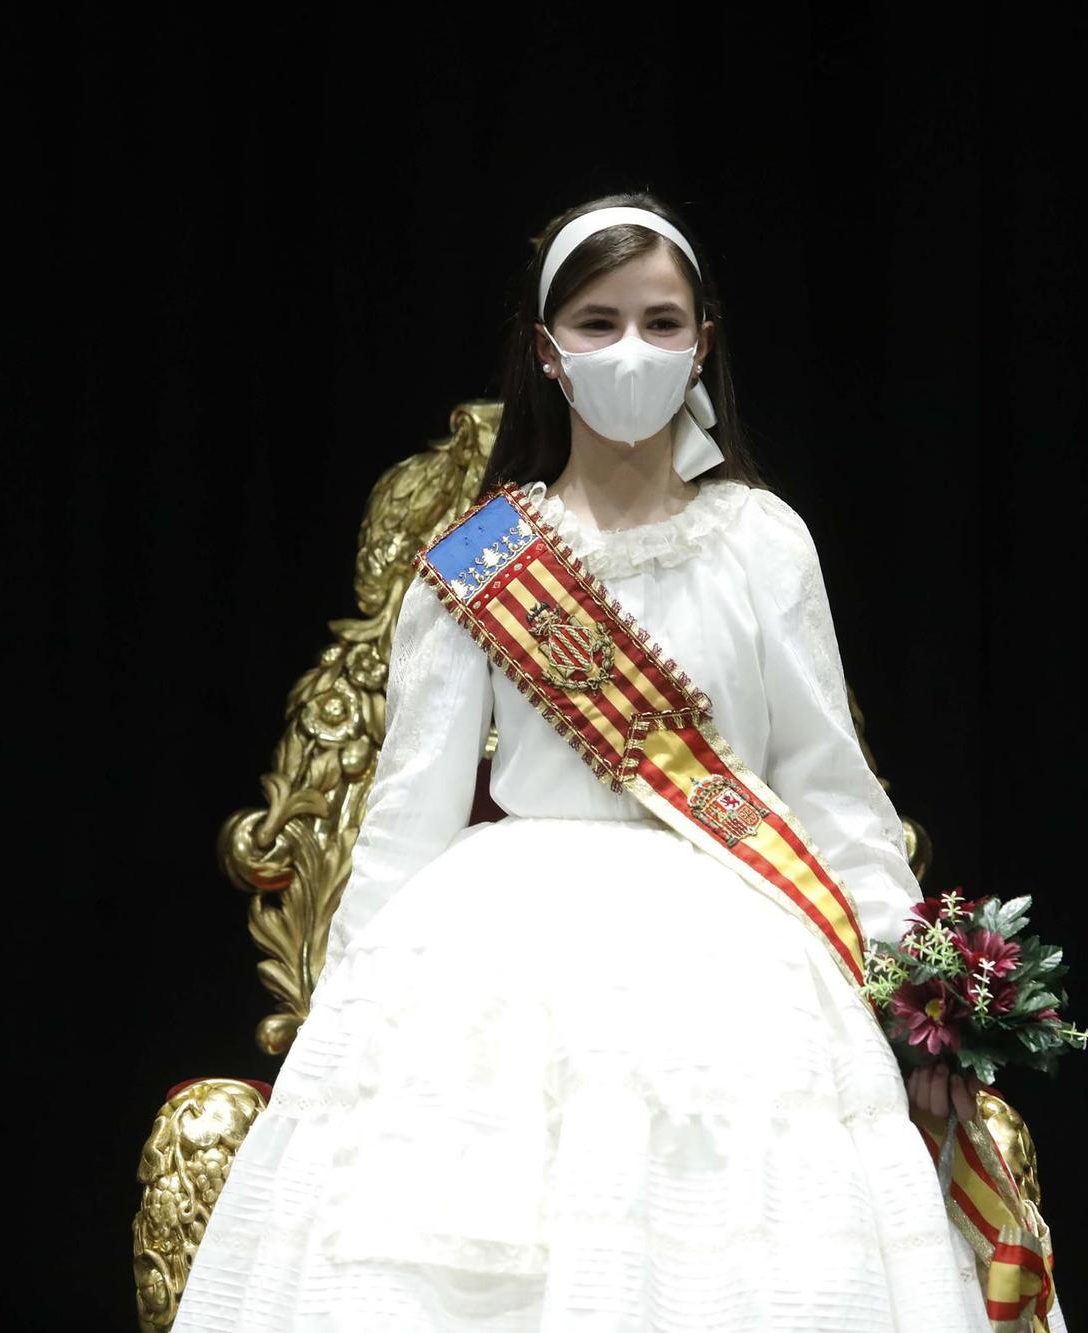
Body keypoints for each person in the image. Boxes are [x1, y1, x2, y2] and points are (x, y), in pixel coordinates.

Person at [173, 191, 1004, 1331]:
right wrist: (346, 1050)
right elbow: (406, 820)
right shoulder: (475, 560)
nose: (632, 351)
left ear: (703, 342)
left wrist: (925, 996)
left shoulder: (764, 541)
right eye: (598, 321)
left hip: (737, 958)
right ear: (544, 351)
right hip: (492, 964)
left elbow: (829, 792)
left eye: (662, 324)